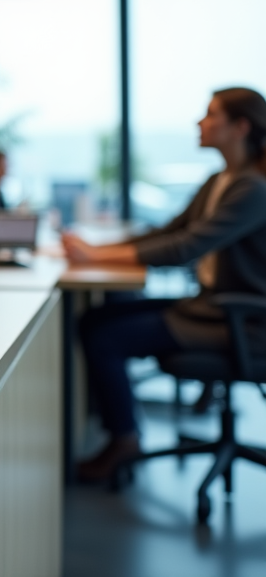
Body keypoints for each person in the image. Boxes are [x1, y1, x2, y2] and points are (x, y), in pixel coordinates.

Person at [63, 87, 266, 482]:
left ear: (240, 127)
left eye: (211, 115)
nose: (200, 122)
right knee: (94, 320)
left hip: (243, 322)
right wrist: (97, 250)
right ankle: (121, 430)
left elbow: (185, 248)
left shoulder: (253, 189)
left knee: (104, 336)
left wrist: (97, 256)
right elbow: (168, 231)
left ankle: (124, 441)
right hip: (211, 307)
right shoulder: (219, 180)